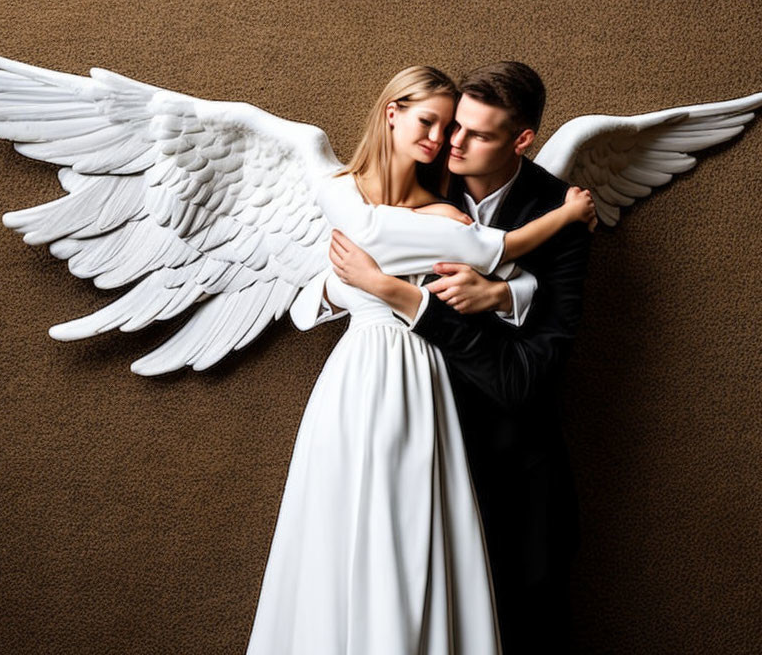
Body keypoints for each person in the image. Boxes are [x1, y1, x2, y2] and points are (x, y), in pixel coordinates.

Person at [245, 65, 595, 655]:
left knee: (525, 612)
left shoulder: (557, 210)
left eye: (475, 135)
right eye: (447, 125)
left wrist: (495, 293)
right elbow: (323, 285)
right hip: (395, 414)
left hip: (510, 459)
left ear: (522, 140)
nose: (449, 143)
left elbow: (523, 377)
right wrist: (355, 289)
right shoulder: (409, 180)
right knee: (354, 556)